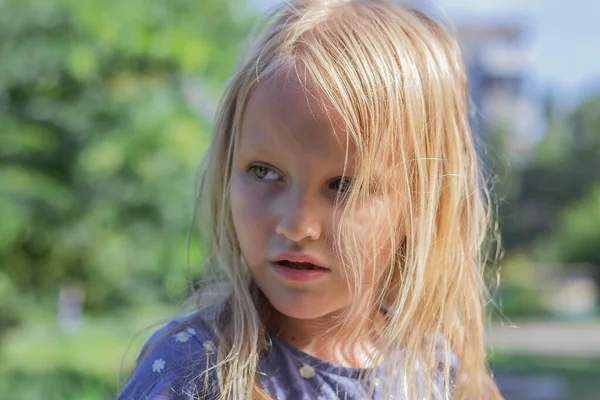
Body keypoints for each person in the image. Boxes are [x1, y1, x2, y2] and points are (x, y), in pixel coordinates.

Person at [117, 0, 503, 398]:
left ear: (420, 204)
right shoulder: (194, 372)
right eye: (264, 172)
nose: (296, 224)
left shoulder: (436, 372)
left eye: (343, 186)